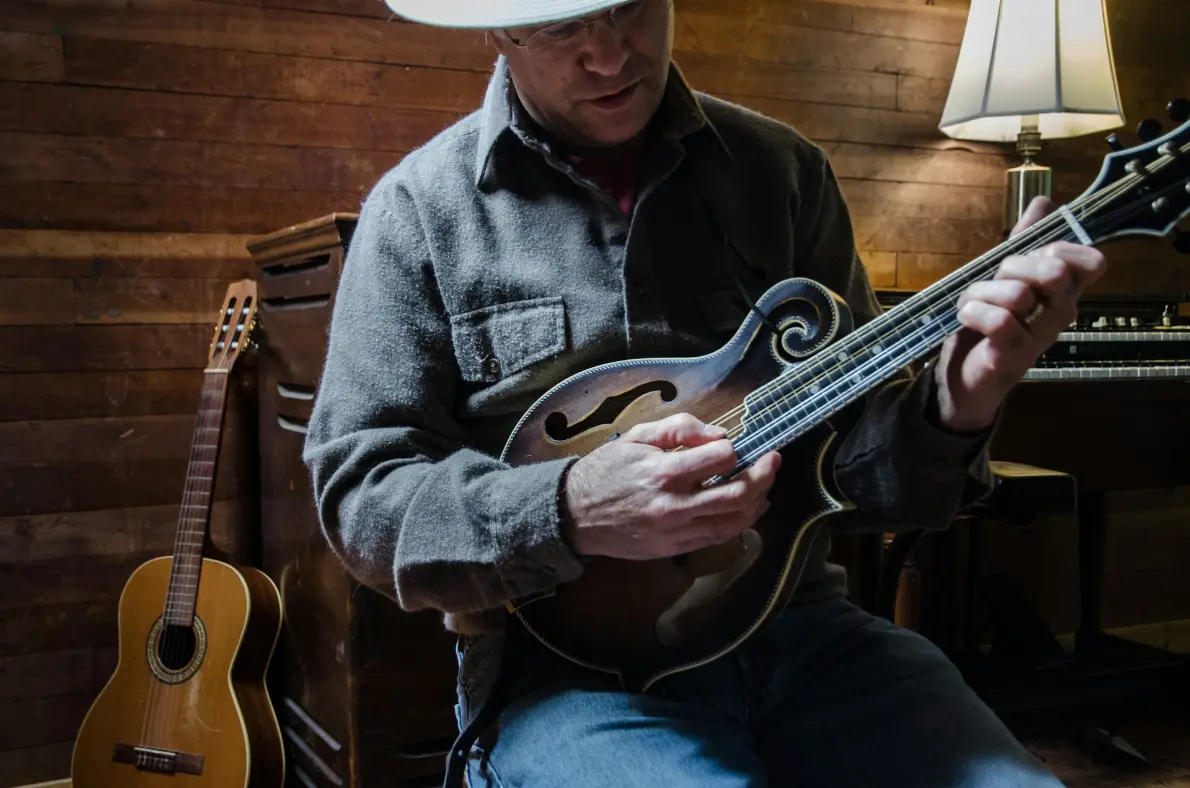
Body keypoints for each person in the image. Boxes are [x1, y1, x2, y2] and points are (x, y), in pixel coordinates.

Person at [303, 0, 1107, 785]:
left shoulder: (784, 173)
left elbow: (858, 480)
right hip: (562, 679)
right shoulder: (418, 212)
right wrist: (571, 507)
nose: (612, 53)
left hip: (806, 634)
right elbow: (361, 496)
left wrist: (963, 395)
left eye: (632, 8)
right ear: (496, 30)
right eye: (560, 27)